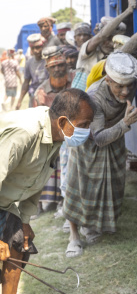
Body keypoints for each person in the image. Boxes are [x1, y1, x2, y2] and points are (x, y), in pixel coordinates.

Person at [63, 52, 137, 258]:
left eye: (130, 85)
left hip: (114, 139)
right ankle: (74, 236)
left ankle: (92, 226)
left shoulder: (131, 74)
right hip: (88, 145)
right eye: (119, 86)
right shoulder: (94, 98)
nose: (125, 91)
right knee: (80, 190)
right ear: (107, 79)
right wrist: (125, 124)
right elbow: (97, 138)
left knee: (108, 188)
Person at [0, 89, 95, 294]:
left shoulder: (55, 136)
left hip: (3, 201)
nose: (87, 131)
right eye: (83, 125)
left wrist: (24, 221)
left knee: (19, 242)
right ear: (62, 122)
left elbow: (37, 177)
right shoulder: (25, 133)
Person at [32, 47, 76, 216]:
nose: (57, 69)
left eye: (60, 65)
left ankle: (65, 200)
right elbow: (41, 120)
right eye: (53, 66)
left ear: (66, 65)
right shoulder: (42, 92)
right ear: (48, 69)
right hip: (53, 134)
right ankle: (43, 201)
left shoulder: (75, 80)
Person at [72, 0, 137, 90]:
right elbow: (102, 35)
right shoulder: (86, 51)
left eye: (114, 39)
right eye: (108, 38)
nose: (110, 43)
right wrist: (128, 11)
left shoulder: (117, 55)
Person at [16, 34, 48, 110]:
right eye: (32, 48)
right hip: (34, 96)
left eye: (38, 47)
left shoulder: (48, 61)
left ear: (43, 46)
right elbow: (26, 82)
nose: (35, 51)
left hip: (47, 96)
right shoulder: (29, 63)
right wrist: (19, 101)